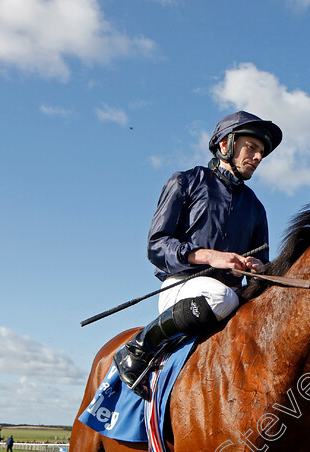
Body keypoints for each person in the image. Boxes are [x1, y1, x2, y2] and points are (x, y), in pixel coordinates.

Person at [113, 111, 281, 396]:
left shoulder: (256, 207)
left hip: (232, 299)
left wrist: (258, 266)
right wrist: (210, 256)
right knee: (221, 296)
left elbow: (262, 259)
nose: (257, 157)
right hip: (182, 288)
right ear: (225, 145)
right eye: (251, 147)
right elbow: (156, 245)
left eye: (261, 152)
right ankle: (139, 347)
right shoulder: (186, 181)